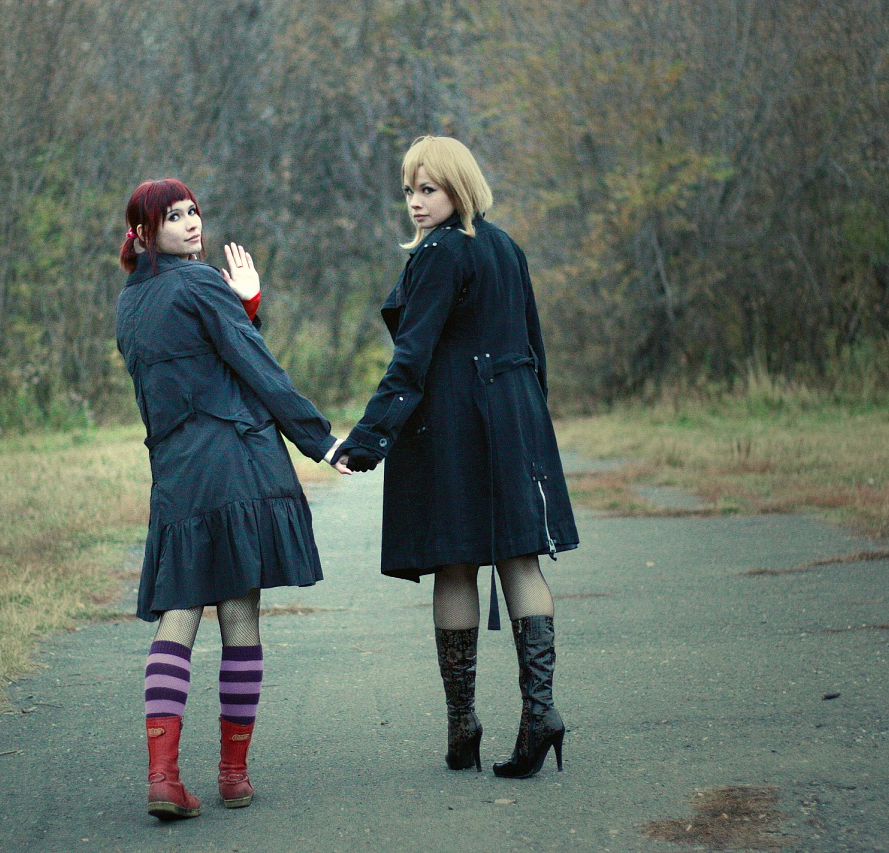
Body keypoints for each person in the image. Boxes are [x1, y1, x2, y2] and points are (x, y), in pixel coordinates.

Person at [335, 136, 579, 778]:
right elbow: (535, 347)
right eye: (409, 191)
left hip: (453, 422)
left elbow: (411, 358)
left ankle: (463, 725)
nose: (416, 203)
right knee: (520, 557)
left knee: (455, 563)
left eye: (429, 189)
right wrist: (528, 417)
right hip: (515, 415)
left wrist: (367, 440)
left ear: (459, 188)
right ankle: (540, 714)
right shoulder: (506, 247)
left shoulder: (440, 254)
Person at [116, 178, 349, 819]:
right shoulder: (199, 283)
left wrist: (242, 305)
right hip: (235, 463)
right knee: (240, 612)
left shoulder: (129, 303)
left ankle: (163, 777)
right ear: (145, 231)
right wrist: (320, 440)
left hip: (177, 473)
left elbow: (193, 367)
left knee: (180, 610)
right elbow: (252, 367)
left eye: (193, 211)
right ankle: (233, 774)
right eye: (173, 216)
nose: (191, 222)